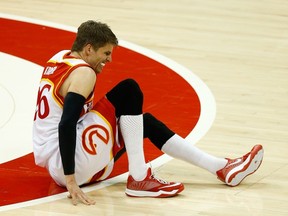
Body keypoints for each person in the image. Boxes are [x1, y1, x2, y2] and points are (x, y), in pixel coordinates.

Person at [32, 20, 264, 205]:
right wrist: (71, 180)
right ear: (89, 48)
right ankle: (140, 178)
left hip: (58, 161)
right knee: (129, 90)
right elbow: (66, 124)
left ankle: (222, 168)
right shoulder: (85, 73)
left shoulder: (60, 58)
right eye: (105, 53)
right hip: (69, 163)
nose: (109, 60)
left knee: (143, 123)